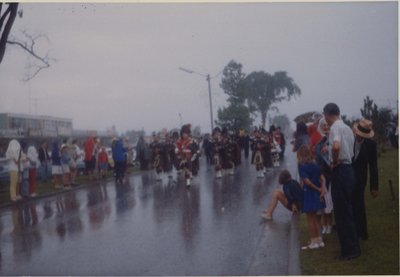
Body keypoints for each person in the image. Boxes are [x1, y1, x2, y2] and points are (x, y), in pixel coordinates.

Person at [323, 102, 361, 260]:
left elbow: (336, 147)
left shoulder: (335, 128)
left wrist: (334, 161)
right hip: (349, 169)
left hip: (340, 170)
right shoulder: (347, 128)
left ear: (327, 114)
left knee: (341, 213)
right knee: (348, 210)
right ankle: (353, 247)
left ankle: (349, 251)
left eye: (325, 116)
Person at [352, 119, 379, 241]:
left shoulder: (371, 145)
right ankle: (351, 229)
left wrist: (374, 187)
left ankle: (362, 233)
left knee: (359, 204)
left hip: (361, 178)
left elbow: (373, 166)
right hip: (347, 176)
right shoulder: (349, 140)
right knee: (349, 203)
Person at [297, 145, 326, 250]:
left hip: (309, 193)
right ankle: (320, 240)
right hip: (317, 194)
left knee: (310, 219)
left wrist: (316, 189)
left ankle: (313, 242)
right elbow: (323, 179)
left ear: (300, 155)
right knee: (317, 219)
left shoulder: (302, 166)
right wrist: (322, 190)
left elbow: (306, 182)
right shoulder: (315, 165)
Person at [314, 118, 334, 235]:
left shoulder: (334, 140)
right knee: (324, 203)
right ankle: (325, 225)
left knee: (329, 203)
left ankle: (330, 225)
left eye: (328, 125)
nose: (326, 127)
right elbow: (317, 159)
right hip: (322, 176)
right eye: (323, 125)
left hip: (331, 176)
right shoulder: (320, 142)